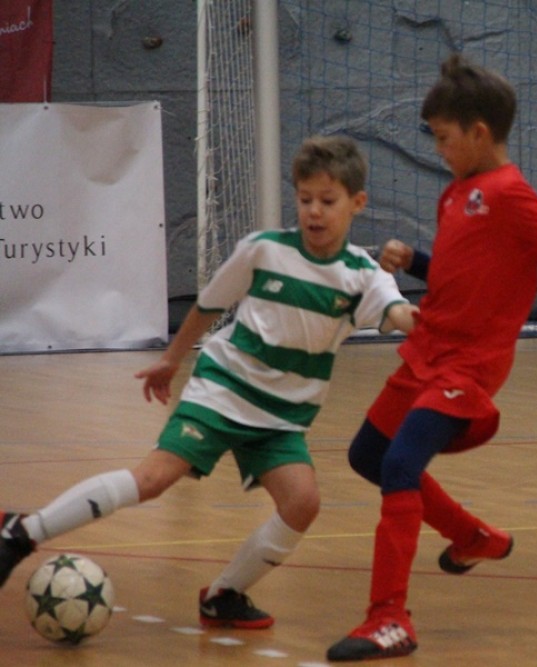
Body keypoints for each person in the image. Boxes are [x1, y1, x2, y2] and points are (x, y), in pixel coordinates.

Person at [0, 135, 418, 629]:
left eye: (328, 201)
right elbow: (208, 306)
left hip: (282, 417)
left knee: (302, 503)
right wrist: (171, 361)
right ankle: (22, 532)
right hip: (224, 390)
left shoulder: (363, 276)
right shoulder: (263, 250)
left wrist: (435, 323)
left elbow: (399, 314)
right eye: (305, 199)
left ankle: (224, 594)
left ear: (357, 202)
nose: (314, 211)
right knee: (153, 480)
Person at [325, 54, 537, 662]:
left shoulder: (511, 192)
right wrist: (415, 261)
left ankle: (390, 619)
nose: (438, 149)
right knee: (368, 455)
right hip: (428, 348)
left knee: (400, 465)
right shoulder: (456, 194)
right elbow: (460, 276)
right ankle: (472, 537)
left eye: (444, 137)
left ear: (478, 133)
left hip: (468, 366)